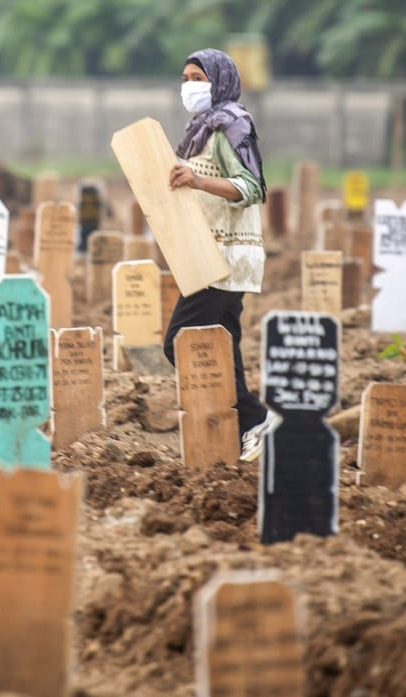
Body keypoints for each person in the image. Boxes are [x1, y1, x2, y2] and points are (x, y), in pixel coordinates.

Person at [164, 47, 278, 463]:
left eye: (198, 78)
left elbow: (251, 187)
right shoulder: (202, 130)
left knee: (181, 342)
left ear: (220, 80)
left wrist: (196, 181)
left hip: (226, 258)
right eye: (185, 78)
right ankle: (241, 428)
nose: (189, 86)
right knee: (219, 346)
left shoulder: (233, 124)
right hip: (202, 254)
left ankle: (254, 418)